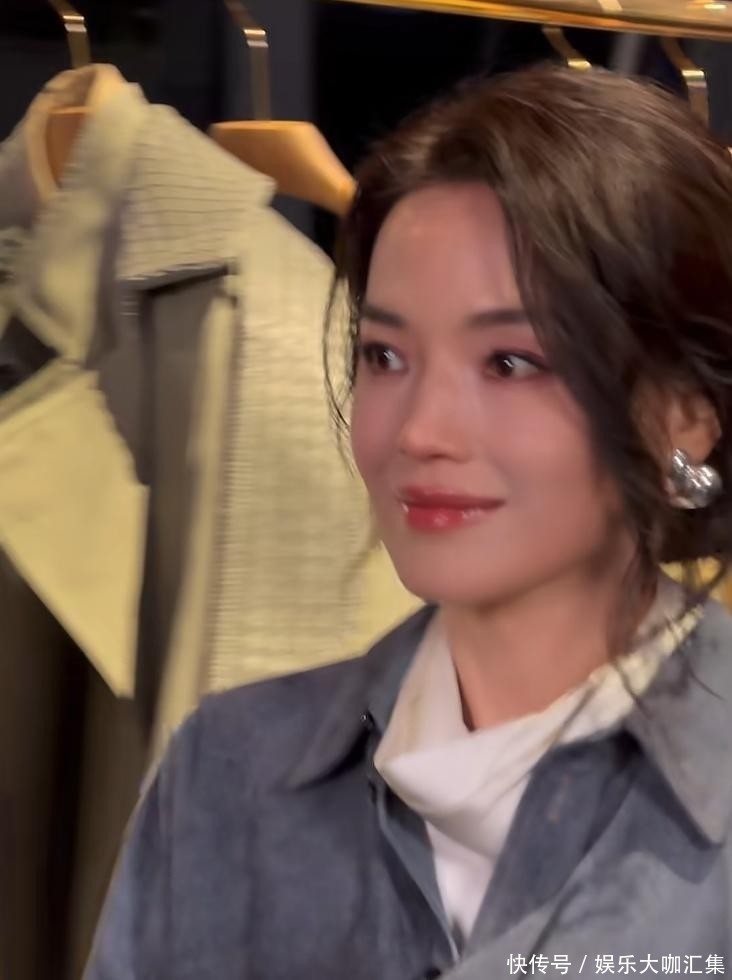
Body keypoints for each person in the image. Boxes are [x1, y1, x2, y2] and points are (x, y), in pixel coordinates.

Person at [85, 65, 732, 980]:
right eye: (385, 356)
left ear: (683, 414)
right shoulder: (228, 770)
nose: (420, 431)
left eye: (509, 363)